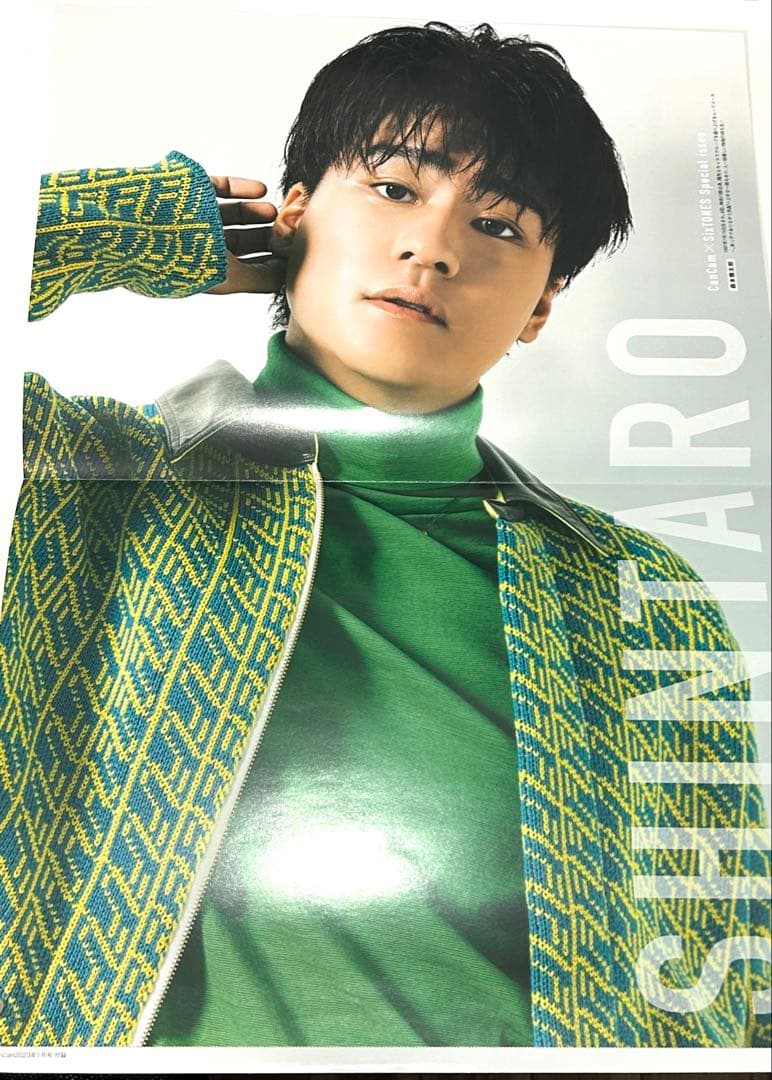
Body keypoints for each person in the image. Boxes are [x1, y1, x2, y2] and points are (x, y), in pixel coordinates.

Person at [0, 22, 769, 1049]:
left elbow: (727, 976)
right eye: (395, 188)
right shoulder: (85, 479)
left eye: (497, 225)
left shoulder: (636, 591)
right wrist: (133, 225)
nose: (434, 247)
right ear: (293, 216)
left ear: (541, 306)